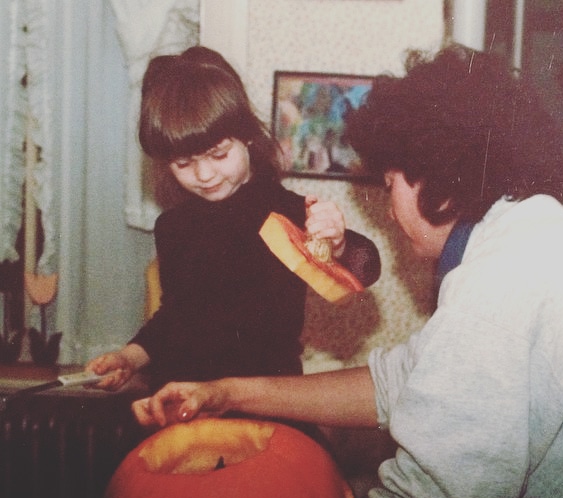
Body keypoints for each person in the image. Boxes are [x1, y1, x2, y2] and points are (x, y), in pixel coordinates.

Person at [131, 45, 563, 498]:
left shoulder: (503, 280)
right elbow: (400, 382)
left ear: (435, 181)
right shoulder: (539, 244)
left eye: (391, 182)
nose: (392, 206)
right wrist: (228, 392)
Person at [86, 46, 380, 392]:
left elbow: (366, 268)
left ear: (247, 137)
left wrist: (339, 243)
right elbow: (175, 318)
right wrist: (129, 358)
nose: (205, 174)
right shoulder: (173, 227)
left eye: (219, 155)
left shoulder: (288, 211)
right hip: (186, 396)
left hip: (269, 400)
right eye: (184, 163)